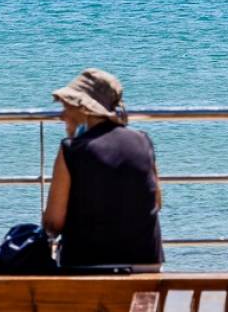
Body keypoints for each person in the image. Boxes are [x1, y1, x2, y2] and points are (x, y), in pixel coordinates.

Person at [41, 68, 163, 270]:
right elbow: (157, 202)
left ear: (84, 109)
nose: (62, 116)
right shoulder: (143, 141)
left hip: (88, 266)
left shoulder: (71, 149)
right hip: (147, 264)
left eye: (67, 107)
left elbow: (54, 222)